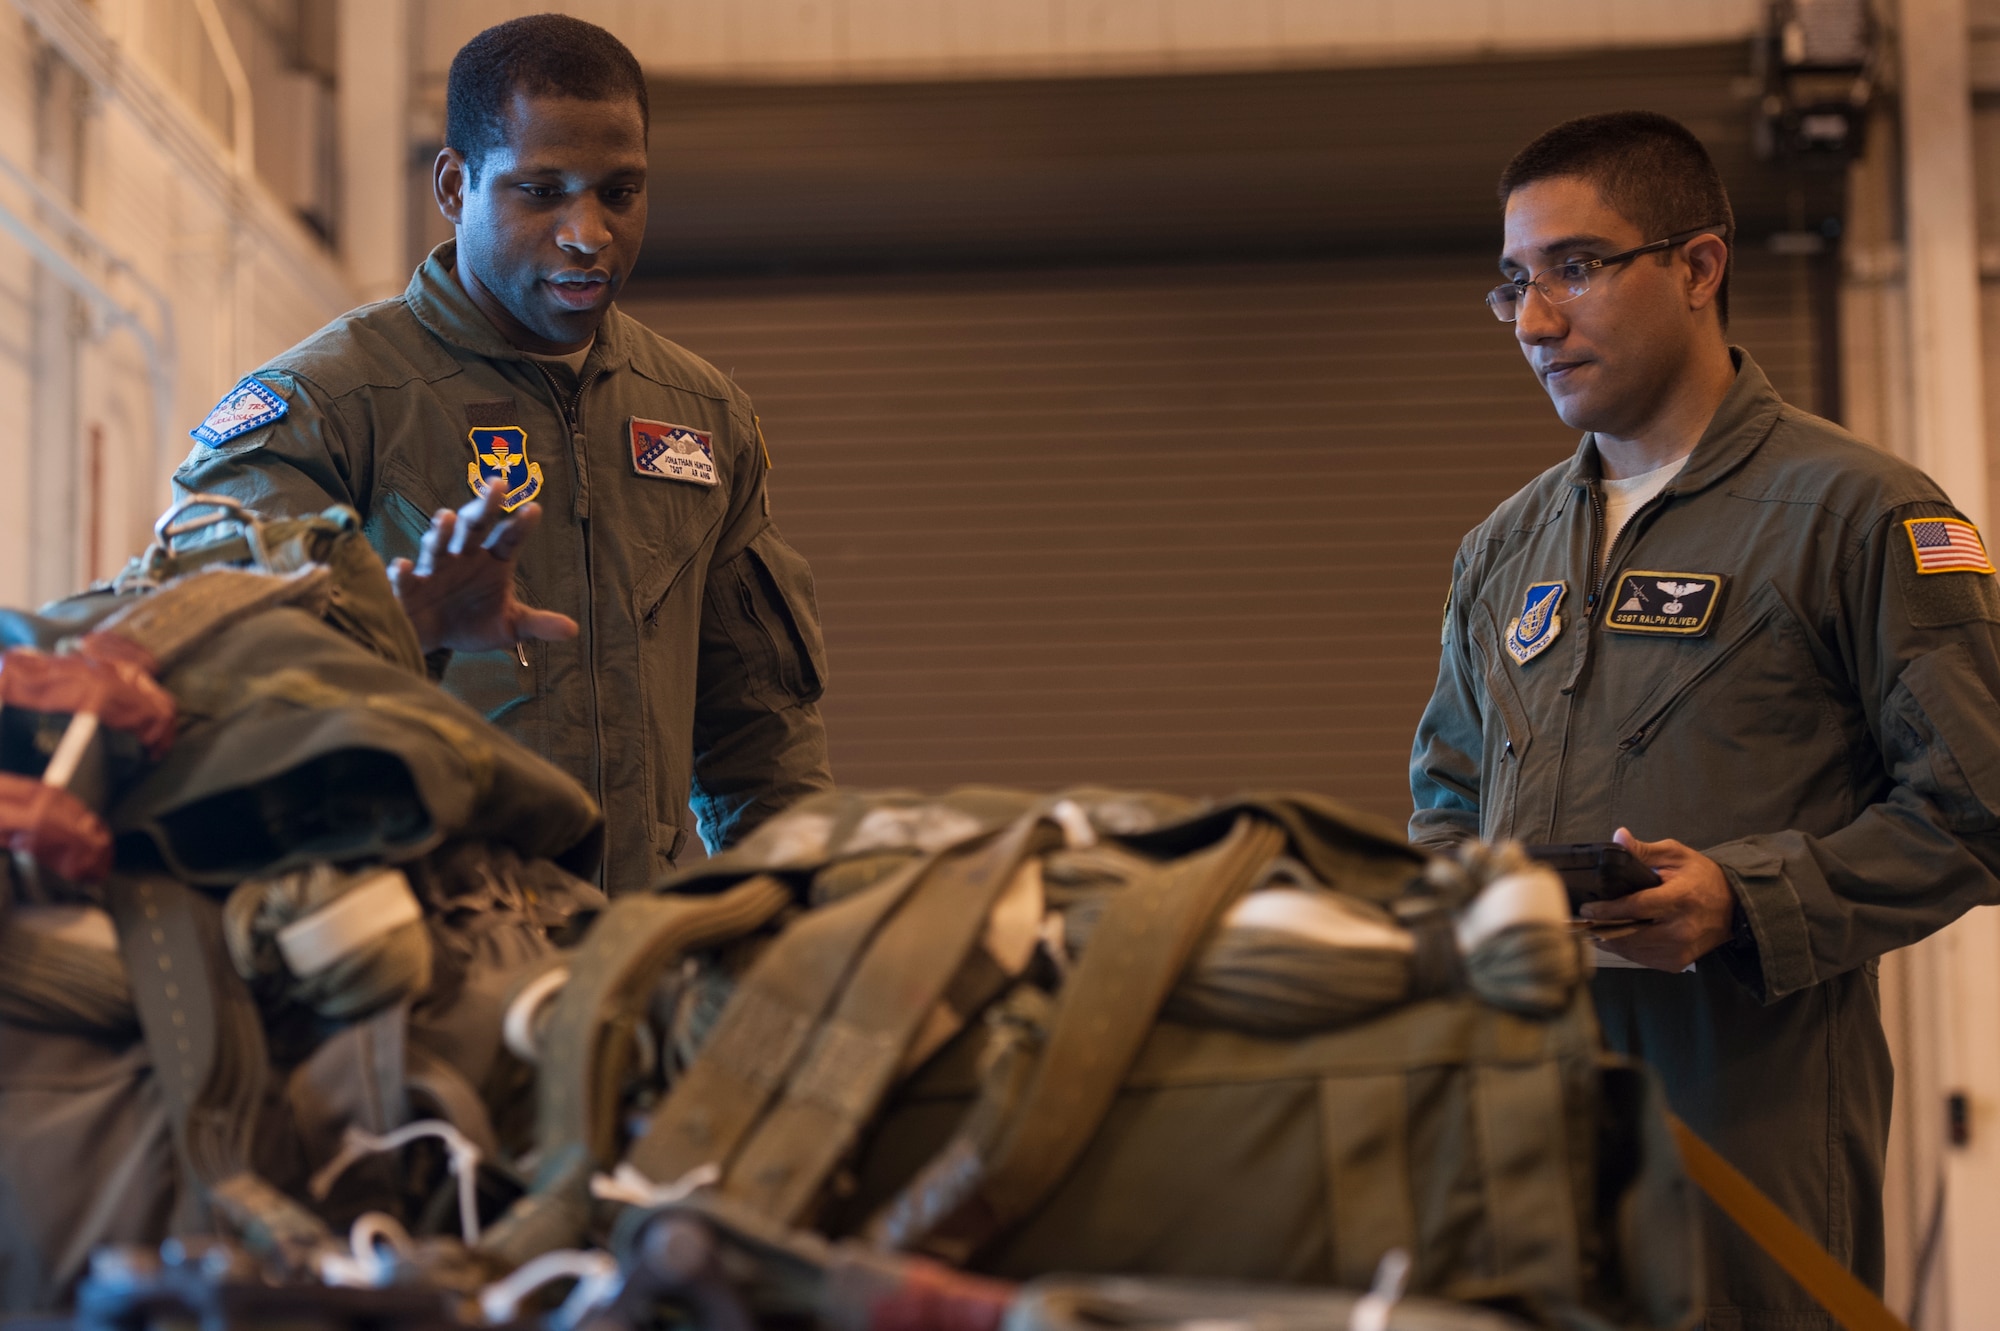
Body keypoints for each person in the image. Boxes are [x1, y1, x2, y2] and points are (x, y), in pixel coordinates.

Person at [1408, 111, 2000, 1327]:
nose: (1532, 320)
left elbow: (1977, 805)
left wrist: (1742, 899)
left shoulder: (1855, 513)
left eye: (1574, 268)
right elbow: (1446, 803)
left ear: (1696, 266)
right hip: (1531, 1122)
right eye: (1514, 283)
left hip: (1749, 1127)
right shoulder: (1498, 550)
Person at [173, 14, 832, 894]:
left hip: (630, 958)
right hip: (419, 961)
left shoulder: (701, 417)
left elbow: (761, 734)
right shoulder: (325, 408)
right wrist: (398, 634)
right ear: (454, 185)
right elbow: (202, 680)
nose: (587, 233)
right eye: (541, 191)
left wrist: (792, 912)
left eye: (620, 193)